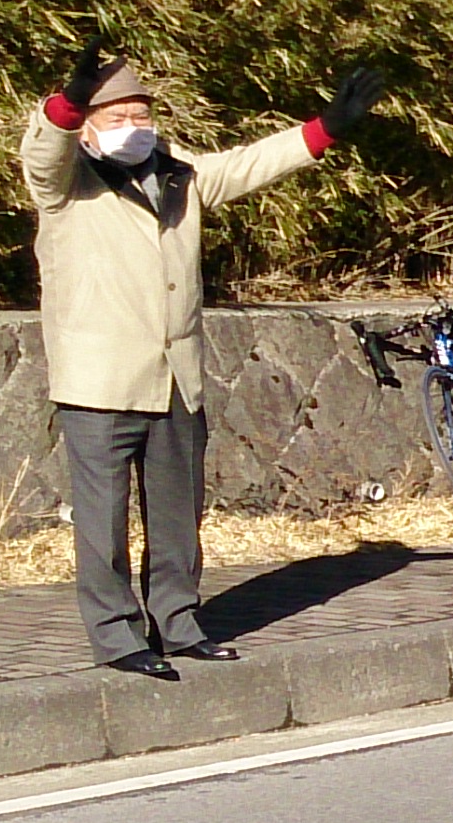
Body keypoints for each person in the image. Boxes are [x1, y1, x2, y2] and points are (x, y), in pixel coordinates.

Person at [25, 47, 385, 677]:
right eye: (116, 116)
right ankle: (117, 636)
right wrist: (67, 102)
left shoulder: (180, 177)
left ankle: (178, 622)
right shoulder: (67, 186)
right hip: (99, 381)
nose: (133, 125)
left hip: (175, 378)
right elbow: (42, 153)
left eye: (142, 113)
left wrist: (326, 128)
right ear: (86, 126)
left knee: (176, 514)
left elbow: (250, 164)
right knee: (102, 522)